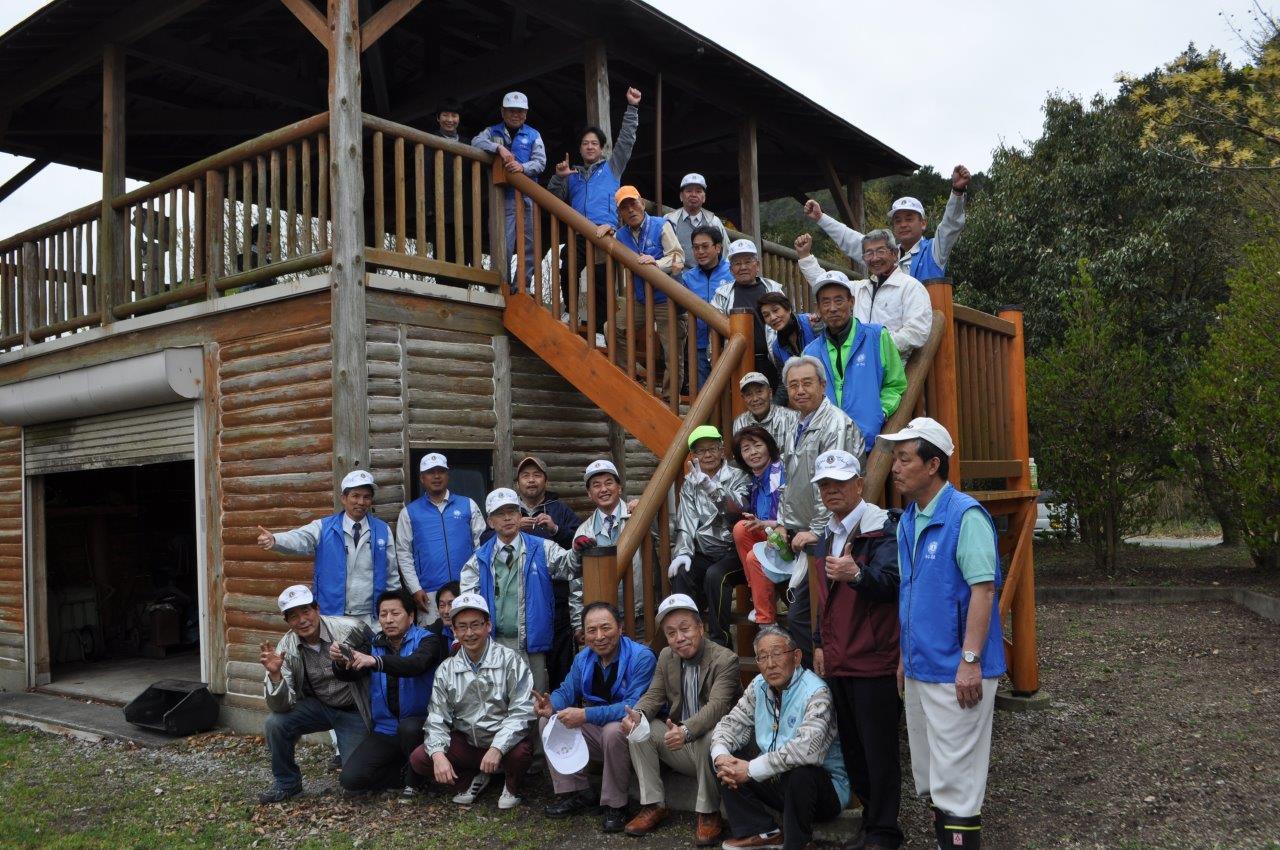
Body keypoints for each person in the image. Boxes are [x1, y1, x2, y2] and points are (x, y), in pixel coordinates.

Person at [878, 419, 1005, 850]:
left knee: (958, 781)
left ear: (933, 464)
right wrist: (903, 657)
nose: (895, 467)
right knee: (932, 776)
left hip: (957, 668)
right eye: (895, 458)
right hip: (920, 667)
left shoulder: (965, 516)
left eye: (904, 458)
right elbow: (910, 593)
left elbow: (983, 591)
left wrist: (970, 661)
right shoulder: (909, 519)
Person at [809, 450, 903, 850]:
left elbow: (892, 582)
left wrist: (858, 573)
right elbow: (820, 597)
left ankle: (885, 830)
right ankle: (871, 820)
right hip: (839, 655)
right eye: (825, 484)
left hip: (874, 657)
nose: (832, 490)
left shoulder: (883, 528)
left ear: (860, 485)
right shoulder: (826, 533)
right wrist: (818, 642)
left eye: (840, 482)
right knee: (852, 746)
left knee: (879, 750)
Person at [710, 626, 850, 850]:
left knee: (801, 773)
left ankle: (798, 843)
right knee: (722, 755)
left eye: (777, 654)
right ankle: (761, 831)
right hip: (777, 780)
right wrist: (721, 757)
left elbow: (806, 750)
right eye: (763, 657)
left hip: (822, 792)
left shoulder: (817, 692)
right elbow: (730, 724)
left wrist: (750, 769)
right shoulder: (759, 686)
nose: (770, 664)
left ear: (796, 657)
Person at [620, 593, 741, 844]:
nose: (679, 638)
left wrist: (686, 730)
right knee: (641, 730)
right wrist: (638, 716)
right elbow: (654, 695)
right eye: (671, 632)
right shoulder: (666, 656)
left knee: (710, 735)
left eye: (685, 629)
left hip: (716, 748)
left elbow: (718, 707)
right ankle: (653, 804)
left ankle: (709, 812)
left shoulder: (725, 659)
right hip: (681, 743)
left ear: (700, 627)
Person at [768, 355, 864, 662]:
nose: (800, 390)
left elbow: (834, 487)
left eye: (807, 383)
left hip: (831, 533)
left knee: (804, 616)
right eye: (793, 385)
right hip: (800, 530)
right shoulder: (791, 423)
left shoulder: (836, 423)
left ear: (823, 386)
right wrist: (782, 522)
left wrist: (817, 531)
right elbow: (784, 477)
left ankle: (820, 685)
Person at [536, 602, 657, 832]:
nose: (599, 636)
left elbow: (631, 706)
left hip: (634, 734)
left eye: (606, 628)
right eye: (592, 630)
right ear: (584, 634)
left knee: (614, 729)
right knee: (548, 721)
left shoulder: (642, 657)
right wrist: (552, 704)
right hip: (597, 730)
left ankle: (616, 805)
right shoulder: (584, 659)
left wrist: (586, 714)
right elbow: (567, 690)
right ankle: (577, 792)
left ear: (620, 628)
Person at [410, 593, 537, 809]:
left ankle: (511, 784)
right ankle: (472, 779)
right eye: (462, 627)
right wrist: (439, 755)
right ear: (454, 631)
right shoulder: (447, 669)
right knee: (421, 757)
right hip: (469, 743)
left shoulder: (510, 660)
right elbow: (437, 717)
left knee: (521, 752)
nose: (469, 633)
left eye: (476, 625)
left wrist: (497, 747)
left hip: (503, 745)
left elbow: (523, 711)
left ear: (488, 626)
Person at [257, 584, 374, 803]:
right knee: (275, 723)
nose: (302, 620)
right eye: (293, 616)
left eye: (306, 611)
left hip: (354, 709)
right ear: (287, 622)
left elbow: (380, 662)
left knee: (356, 784)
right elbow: (280, 706)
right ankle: (287, 784)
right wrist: (275, 676)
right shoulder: (286, 648)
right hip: (319, 706)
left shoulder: (352, 629)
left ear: (317, 609)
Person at [461, 488, 581, 693]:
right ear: (490, 521)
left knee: (535, 701)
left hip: (532, 643)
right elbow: (468, 601)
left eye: (512, 511)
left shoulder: (542, 548)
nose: (507, 518)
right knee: (498, 701)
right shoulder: (479, 559)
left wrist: (578, 550)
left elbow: (568, 566)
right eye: (500, 513)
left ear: (520, 515)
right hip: (494, 642)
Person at [335, 589, 446, 796]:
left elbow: (415, 664)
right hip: (385, 729)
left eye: (395, 613)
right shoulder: (374, 644)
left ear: (411, 616)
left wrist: (376, 662)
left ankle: (416, 781)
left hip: (421, 725)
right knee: (350, 779)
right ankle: (409, 775)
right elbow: (350, 675)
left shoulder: (428, 640)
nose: (388, 620)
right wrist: (342, 663)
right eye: (383, 614)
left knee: (409, 729)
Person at [548, 87, 642, 330]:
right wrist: (559, 177)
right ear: (580, 149)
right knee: (568, 268)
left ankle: (601, 327)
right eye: (585, 144)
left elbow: (626, 140)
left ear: (601, 148)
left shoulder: (612, 168)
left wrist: (632, 107)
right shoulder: (572, 175)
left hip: (605, 232)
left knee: (602, 282)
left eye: (594, 144)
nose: (589, 147)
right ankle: (571, 312)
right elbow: (552, 200)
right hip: (578, 233)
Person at [257, 470, 401, 628]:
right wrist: (276, 539)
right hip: (332, 615)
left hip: (372, 616)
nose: (361, 502)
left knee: (369, 653)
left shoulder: (382, 529)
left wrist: (393, 608)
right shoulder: (323, 527)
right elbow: (300, 538)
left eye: (366, 497)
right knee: (334, 653)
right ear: (344, 498)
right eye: (355, 495)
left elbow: (391, 574)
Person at [487, 455, 582, 689]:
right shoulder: (505, 522)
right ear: (517, 483)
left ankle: (557, 716)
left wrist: (555, 529)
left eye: (537, 475)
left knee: (559, 669)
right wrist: (515, 528)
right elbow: (485, 543)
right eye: (525, 476)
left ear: (545, 481)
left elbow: (577, 543)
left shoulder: (559, 510)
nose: (531, 480)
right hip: (513, 616)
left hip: (557, 604)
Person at [801, 165, 972, 280]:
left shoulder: (935, 250)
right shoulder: (886, 254)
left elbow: (950, 225)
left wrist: (957, 192)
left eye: (909, 218)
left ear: (923, 223)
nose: (903, 224)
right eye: (898, 220)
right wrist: (821, 218)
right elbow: (851, 240)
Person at [802, 269, 907, 450]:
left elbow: (895, 383)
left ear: (851, 302)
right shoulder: (810, 353)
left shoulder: (877, 336)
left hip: (869, 441)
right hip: (828, 445)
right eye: (825, 302)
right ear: (818, 308)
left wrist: (880, 412)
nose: (833, 308)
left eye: (839, 300)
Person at [797, 231, 932, 360]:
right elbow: (825, 283)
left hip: (895, 369)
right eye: (869, 253)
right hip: (858, 365)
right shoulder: (859, 288)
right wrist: (805, 256)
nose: (874, 258)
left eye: (880, 251)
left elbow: (917, 332)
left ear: (894, 254)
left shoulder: (911, 287)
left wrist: (872, 347)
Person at [602, 185, 685, 392]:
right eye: (624, 207)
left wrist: (655, 263)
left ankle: (669, 397)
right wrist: (605, 230)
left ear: (642, 203)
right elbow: (607, 243)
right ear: (620, 213)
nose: (630, 210)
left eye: (633, 203)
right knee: (611, 328)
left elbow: (677, 257)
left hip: (665, 298)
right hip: (640, 299)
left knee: (672, 351)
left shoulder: (661, 224)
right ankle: (630, 377)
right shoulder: (620, 235)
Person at [668, 425, 751, 616]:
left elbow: (739, 509)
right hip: (704, 551)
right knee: (681, 572)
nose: (707, 455)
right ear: (693, 456)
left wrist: (712, 488)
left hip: (733, 551)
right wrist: (682, 552)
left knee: (716, 576)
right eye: (700, 451)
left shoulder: (739, 476)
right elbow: (686, 521)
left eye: (712, 448)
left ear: (722, 450)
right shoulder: (690, 483)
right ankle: (687, 627)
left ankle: (719, 639)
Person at [395, 453, 485, 624]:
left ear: (447, 475)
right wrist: (415, 589)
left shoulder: (468, 505)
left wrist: (476, 582)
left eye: (441, 471)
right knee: (433, 643)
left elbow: (481, 546)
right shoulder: (409, 512)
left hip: (466, 588)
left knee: (467, 636)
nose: (436, 476)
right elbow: (403, 553)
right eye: (430, 472)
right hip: (428, 593)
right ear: (422, 478)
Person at [471, 91, 545, 287]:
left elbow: (540, 162)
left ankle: (522, 285)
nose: (516, 115)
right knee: (503, 240)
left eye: (520, 111)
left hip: (528, 197)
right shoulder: (492, 131)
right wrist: (498, 149)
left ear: (526, 114)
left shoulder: (533, 134)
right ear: (503, 112)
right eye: (511, 111)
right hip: (503, 198)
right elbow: (475, 142)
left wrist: (522, 167)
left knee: (529, 243)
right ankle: (500, 283)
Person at [730, 425, 787, 628]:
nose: (753, 452)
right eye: (746, 449)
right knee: (740, 528)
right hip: (768, 536)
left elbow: (788, 517)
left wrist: (765, 523)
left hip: (786, 537)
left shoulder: (781, 472)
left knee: (754, 557)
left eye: (757, 445)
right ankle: (758, 591)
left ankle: (766, 621)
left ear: (769, 446)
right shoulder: (754, 481)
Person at [573, 459, 642, 625]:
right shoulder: (583, 531)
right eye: (596, 485)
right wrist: (577, 623)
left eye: (608, 483)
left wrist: (646, 510)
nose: (603, 489)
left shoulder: (639, 515)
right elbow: (576, 583)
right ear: (589, 493)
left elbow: (666, 535)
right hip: (602, 622)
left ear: (619, 487)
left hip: (641, 613)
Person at [711, 239, 784, 388]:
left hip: (771, 361)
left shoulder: (773, 289)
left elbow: (787, 320)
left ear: (757, 265)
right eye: (737, 263)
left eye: (748, 262)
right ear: (731, 269)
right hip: (737, 361)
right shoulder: (722, 294)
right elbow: (714, 332)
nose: (743, 267)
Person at [681, 225, 734, 390]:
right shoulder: (687, 278)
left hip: (728, 343)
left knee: (729, 390)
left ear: (718, 247)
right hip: (699, 344)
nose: (700, 251)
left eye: (705, 246)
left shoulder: (733, 272)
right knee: (703, 391)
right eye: (696, 248)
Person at [759, 289, 820, 401]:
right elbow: (785, 383)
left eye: (776, 310)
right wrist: (774, 411)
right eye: (766, 315)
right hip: (806, 398)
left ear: (788, 309)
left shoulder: (813, 325)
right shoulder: (776, 348)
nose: (772, 317)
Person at [663, 173, 731, 264]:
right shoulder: (670, 220)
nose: (693, 195)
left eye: (698, 191)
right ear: (681, 196)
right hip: (679, 276)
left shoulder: (714, 221)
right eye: (689, 191)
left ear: (704, 198)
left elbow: (727, 253)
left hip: (710, 276)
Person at [732, 371, 799, 453]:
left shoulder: (792, 418)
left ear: (770, 393)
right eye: (749, 394)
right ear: (743, 398)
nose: (755, 398)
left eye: (759, 392)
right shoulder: (740, 422)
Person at [426, 581, 461, 655]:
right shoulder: (432, 632)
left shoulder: (472, 632)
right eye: (442, 605)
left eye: (451, 604)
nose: (446, 611)